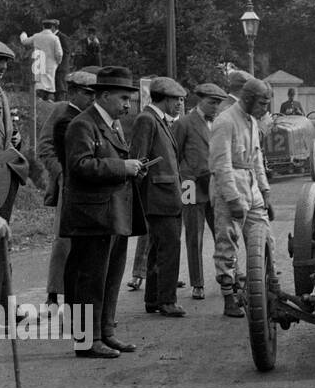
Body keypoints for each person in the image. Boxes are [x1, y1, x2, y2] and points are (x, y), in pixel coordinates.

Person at [60, 67, 147, 358]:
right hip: (92, 217)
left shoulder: (112, 124)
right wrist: (123, 167)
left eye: (130, 99)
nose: (128, 104)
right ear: (105, 95)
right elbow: (80, 165)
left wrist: (132, 169)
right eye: (123, 98)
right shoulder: (82, 125)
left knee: (110, 277)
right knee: (90, 278)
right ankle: (87, 340)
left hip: (113, 214)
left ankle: (106, 332)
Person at [210, 77, 273, 319]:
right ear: (247, 99)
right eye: (262, 103)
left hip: (252, 187)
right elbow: (221, 164)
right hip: (231, 189)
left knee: (265, 238)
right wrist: (233, 199)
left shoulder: (252, 122)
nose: (265, 109)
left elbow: (257, 160)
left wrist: (265, 192)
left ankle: (267, 287)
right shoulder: (225, 121)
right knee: (227, 243)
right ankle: (229, 297)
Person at [130, 77, 188, 317]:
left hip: (165, 197)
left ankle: (153, 298)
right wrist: (140, 199)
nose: (179, 104)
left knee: (157, 249)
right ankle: (167, 301)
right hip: (158, 199)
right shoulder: (147, 120)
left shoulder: (159, 120)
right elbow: (138, 161)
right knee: (169, 249)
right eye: (176, 99)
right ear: (163, 99)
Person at [40, 68, 97, 305]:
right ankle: (54, 294)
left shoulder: (95, 115)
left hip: (91, 186)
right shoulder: (60, 111)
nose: (92, 98)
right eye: (87, 93)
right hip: (67, 185)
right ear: (72, 92)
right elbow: (44, 147)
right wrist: (62, 174)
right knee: (63, 240)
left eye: (95, 94)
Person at [172, 82, 225, 301]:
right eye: (212, 102)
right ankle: (197, 283)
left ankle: (228, 277)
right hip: (190, 185)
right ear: (200, 100)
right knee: (194, 236)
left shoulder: (220, 123)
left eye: (218, 104)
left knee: (222, 234)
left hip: (214, 185)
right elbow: (174, 155)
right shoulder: (184, 123)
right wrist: (182, 179)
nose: (215, 107)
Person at [0, 40, 21, 316]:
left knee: (2, 243)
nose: (3, 66)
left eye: (6, 61)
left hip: (4, 175)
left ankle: (5, 304)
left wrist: (14, 139)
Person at [19, 18, 64, 101]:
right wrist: (57, 62)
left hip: (39, 62)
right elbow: (59, 53)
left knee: (39, 84)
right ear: (51, 27)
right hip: (50, 64)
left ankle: (38, 102)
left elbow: (25, 42)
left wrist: (23, 34)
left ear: (43, 26)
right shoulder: (54, 38)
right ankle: (49, 102)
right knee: (50, 85)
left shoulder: (37, 36)